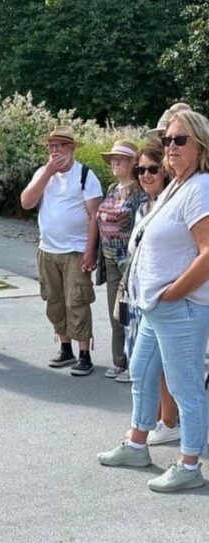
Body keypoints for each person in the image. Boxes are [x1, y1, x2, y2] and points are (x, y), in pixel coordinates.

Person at [97, 110, 209, 493]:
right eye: (167, 140)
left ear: (200, 145)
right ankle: (136, 444)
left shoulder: (200, 187)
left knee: (185, 387)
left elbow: (208, 252)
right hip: (155, 307)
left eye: (179, 140)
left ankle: (189, 464)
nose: (170, 146)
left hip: (180, 307)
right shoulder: (178, 185)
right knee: (142, 372)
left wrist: (174, 291)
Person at [20, 126, 102, 376]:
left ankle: (84, 354)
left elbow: (94, 217)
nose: (55, 151)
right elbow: (26, 202)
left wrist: (90, 251)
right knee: (54, 301)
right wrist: (48, 172)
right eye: (52, 146)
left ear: (72, 148)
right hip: (47, 249)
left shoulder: (85, 175)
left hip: (75, 250)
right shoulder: (43, 173)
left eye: (60, 146)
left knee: (77, 301)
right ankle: (65, 348)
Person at [127, 143, 179, 446]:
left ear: (165, 171)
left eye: (152, 169)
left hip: (164, 298)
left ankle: (169, 422)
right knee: (145, 366)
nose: (145, 175)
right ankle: (154, 422)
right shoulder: (144, 207)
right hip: (141, 298)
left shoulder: (172, 206)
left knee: (162, 368)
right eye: (140, 169)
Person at [96, 140, 147, 382]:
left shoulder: (138, 192)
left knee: (127, 312)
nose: (115, 163)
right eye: (113, 159)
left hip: (128, 261)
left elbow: (141, 225)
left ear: (131, 164)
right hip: (109, 258)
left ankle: (132, 362)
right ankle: (119, 361)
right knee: (114, 313)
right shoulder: (111, 189)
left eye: (121, 159)